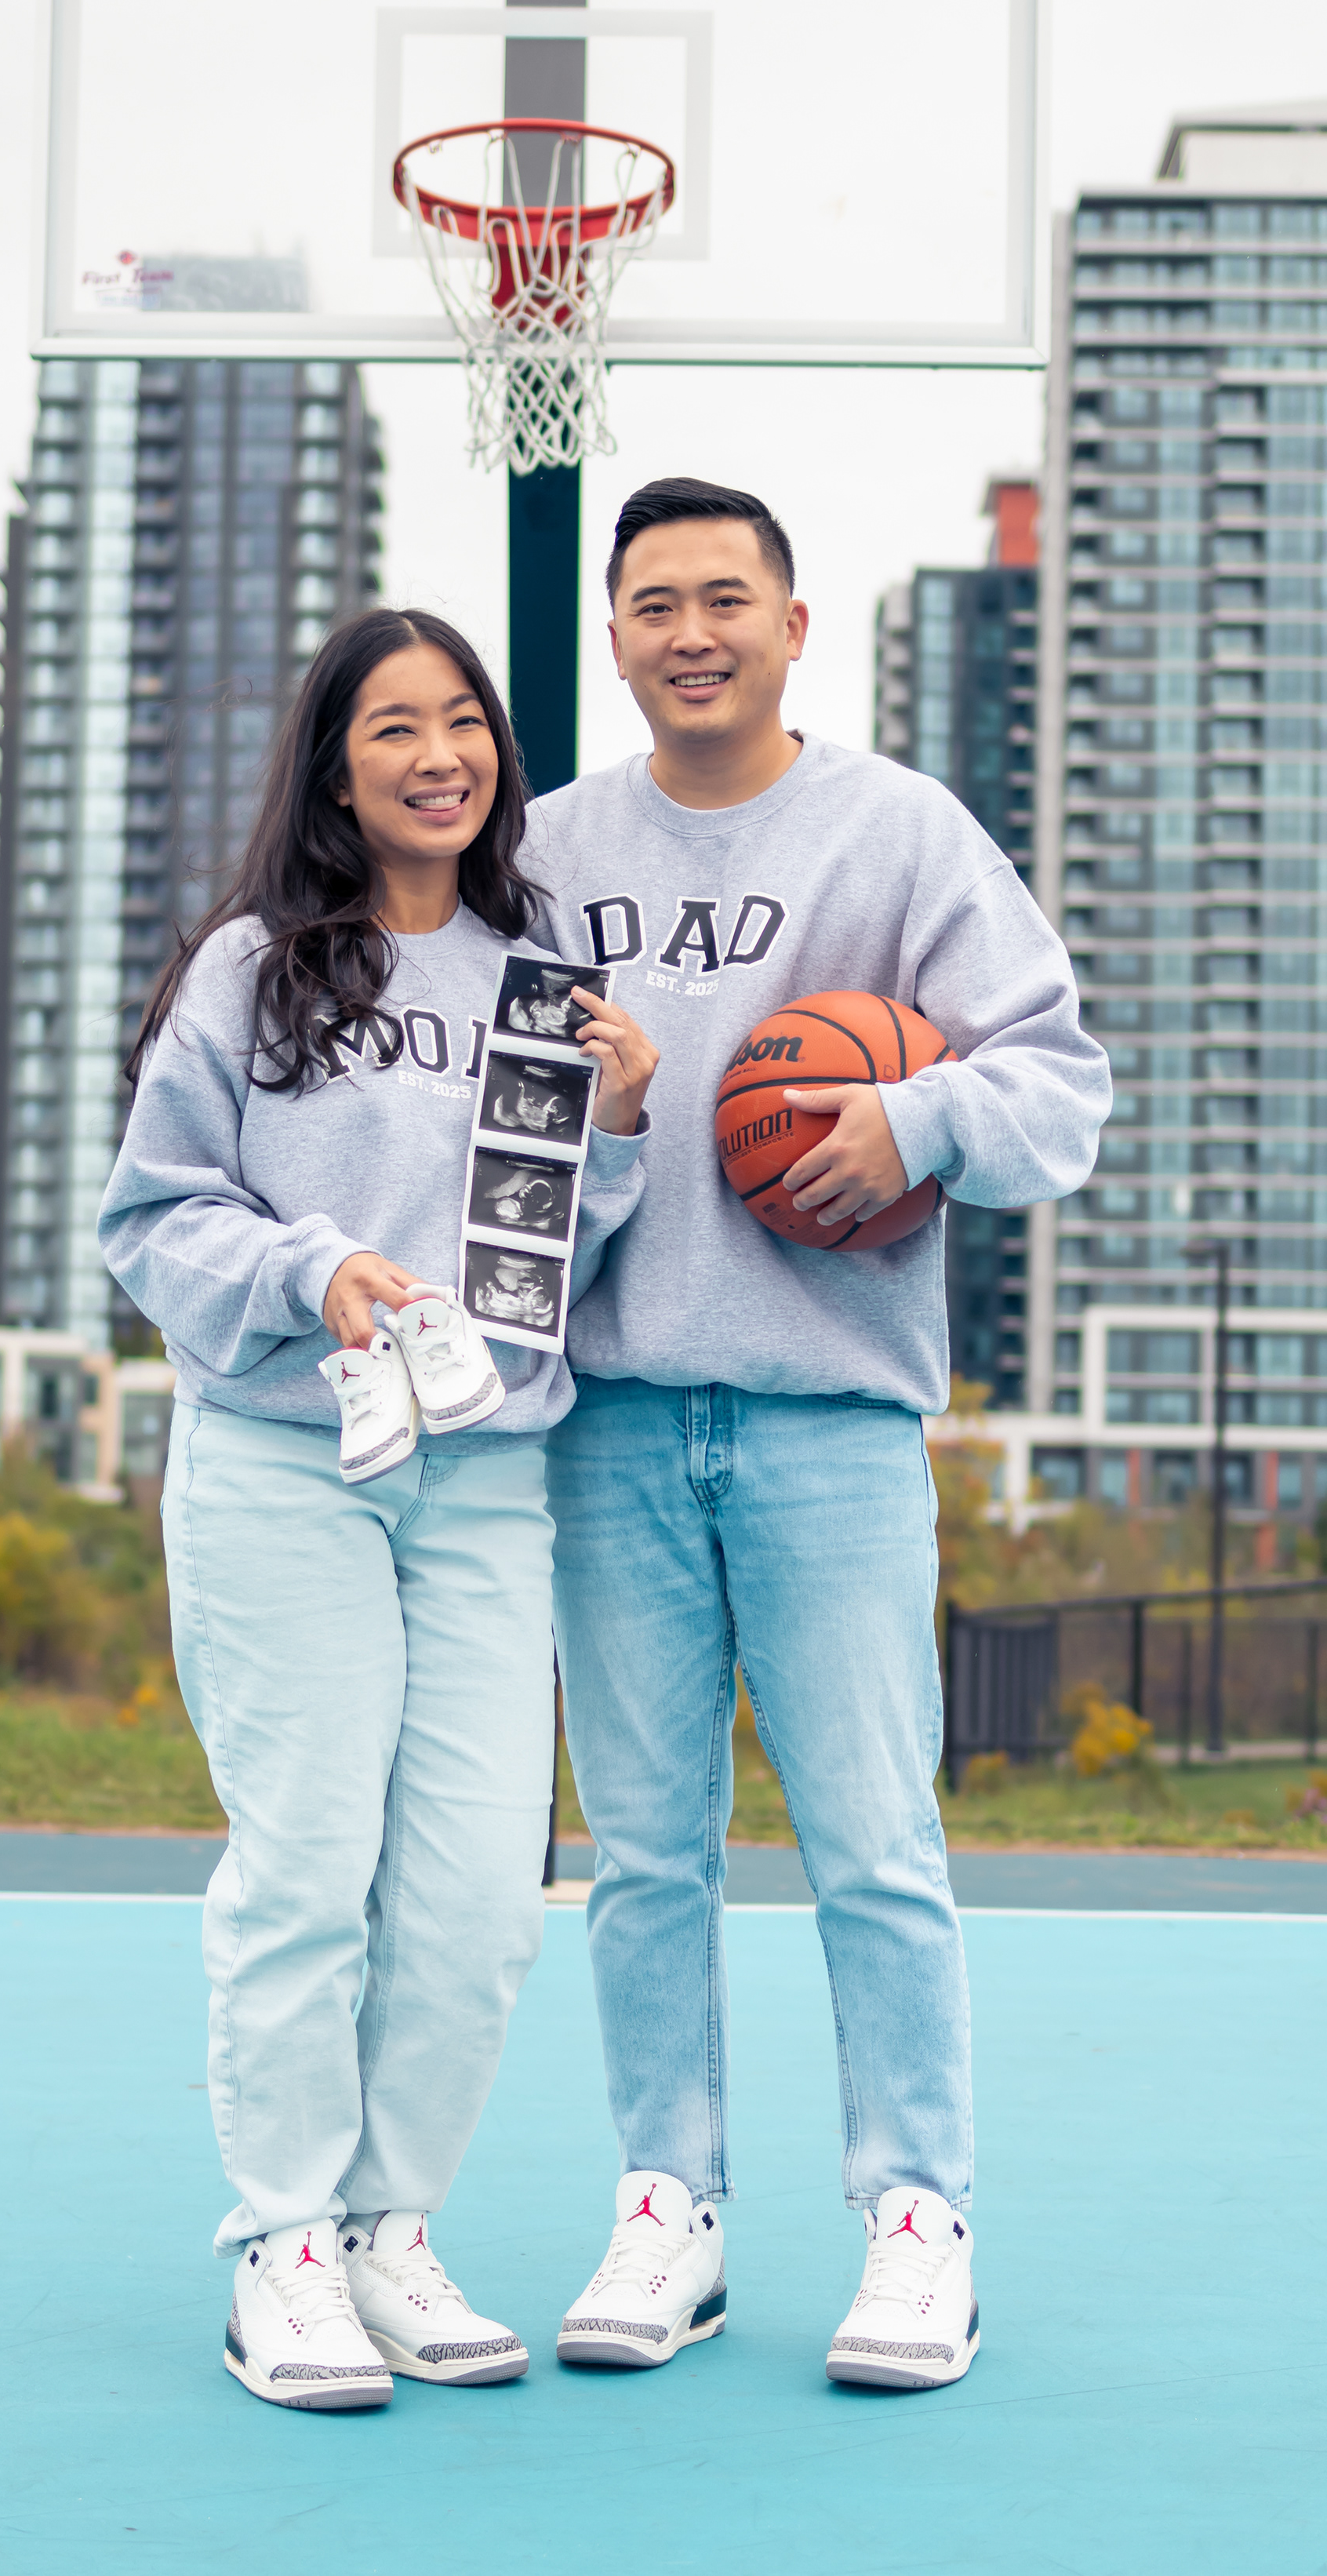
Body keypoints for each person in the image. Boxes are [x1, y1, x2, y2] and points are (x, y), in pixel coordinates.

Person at [523, 478, 1110, 2389]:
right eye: (654, 605)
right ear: (615, 639)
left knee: (874, 1841)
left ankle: (917, 2220)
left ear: (792, 623)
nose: (690, 633)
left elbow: (1059, 1088)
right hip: (611, 1419)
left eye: (726, 598)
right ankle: (667, 2207)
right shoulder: (544, 854)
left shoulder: (901, 832)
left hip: (833, 1424)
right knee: (645, 1855)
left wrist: (913, 1122)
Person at [99, 607, 656, 2414]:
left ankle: (387, 2228)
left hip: (486, 1477)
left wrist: (621, 1129)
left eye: (464, 721)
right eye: (395, 726)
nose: (440, 755)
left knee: (484, 1893)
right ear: (335, 769)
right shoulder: (254, 971)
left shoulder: (540, 981)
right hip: (285, 1461)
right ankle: (282, 2242)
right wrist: (316, 1269)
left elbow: (554, 1264)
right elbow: (149, 1220)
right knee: (309, 1866)